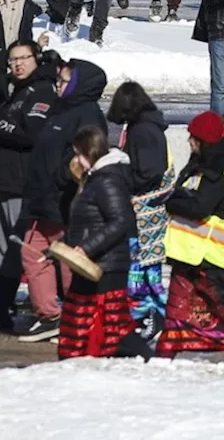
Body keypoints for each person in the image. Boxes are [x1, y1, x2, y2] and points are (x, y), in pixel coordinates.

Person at [156, 111, 224, 365]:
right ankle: (162, 358)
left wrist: (173, 201)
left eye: (193, 139)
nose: (189, 143)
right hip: (188, 258)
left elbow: (199, 208)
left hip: (212, 262)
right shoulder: (196, 168)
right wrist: (177, 199)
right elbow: (182, 196)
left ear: (204, 141)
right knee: (177, 311)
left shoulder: (218, 174)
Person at [16, 59, 108, 343]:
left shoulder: (88, 114)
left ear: (81, 84)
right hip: (41, 199)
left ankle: (78, 314)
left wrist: (60, 179)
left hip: (64, 201)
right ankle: (50, 314)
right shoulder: (60, 109)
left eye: (65, 80)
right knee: (33, 254)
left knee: (68, 259)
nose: (59, 84)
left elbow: (87, 156)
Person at [57, 127, 139, 360]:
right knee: (79, 320)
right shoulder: (94, 179)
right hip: (91, 261)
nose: (76, 161)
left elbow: (120, 220)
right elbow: (86, 222)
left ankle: (147, 358)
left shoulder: (107, 181)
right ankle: (74, 361)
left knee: (115, 323)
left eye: (78, 154)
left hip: (107, 264)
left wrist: (87, 247)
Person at [106, 81, 173, 340]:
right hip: (147, 212)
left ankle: (150, 314)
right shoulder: (146, 127)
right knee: (146, 268)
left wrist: (122, 177)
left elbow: (148, 171)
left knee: (141, 269)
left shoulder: (142, 130)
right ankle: (153, 313)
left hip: (144, 212)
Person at [0, 42, 57, 329]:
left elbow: (31, 134)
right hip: (6, 181)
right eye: (13, 60)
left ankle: (20, 306)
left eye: (24, 58)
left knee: (16, 249)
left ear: (36, 59)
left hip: (22, 184)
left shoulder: (42, 90)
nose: (18, 64)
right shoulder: (16, 92)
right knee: (4, 249)